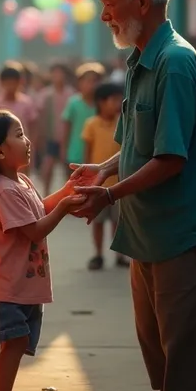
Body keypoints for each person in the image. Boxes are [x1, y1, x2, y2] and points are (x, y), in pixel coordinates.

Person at [71, 0, 196, 391]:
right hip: (150, 224)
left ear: (141, 0)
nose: (104, 14)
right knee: (154, 326)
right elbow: (139, 144)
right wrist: (102, 169)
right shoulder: (142, 58)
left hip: (185, 224)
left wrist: (110, 196)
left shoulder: (176, 62)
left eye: (109, 3)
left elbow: (171, 158)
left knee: (182, 326)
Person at [0, 110, 87, 391]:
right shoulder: (3, 190)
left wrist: (68, 190)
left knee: (16, 344)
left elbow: (39, 210)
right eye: (18, 134)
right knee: (14, 343)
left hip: (21, 285)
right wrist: (63, 208)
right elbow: (35, 230)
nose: (28, 140)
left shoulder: (19, 182)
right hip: (6, 287)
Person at [81, 82, 127, 270]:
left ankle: (119, 255)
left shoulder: (123, 122)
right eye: (114, 99)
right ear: (101, 102)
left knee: (118, 221)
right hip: (98, 184)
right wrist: (85, 177)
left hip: (119, 182)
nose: (118, 103)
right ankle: (98, 254)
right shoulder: (91, 125)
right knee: (98, 222)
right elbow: (87, 152)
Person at [61, 63, 105, 174]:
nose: (91, 85)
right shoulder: (73, 103)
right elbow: (66, 129)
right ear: (79, 83)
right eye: (88, 81)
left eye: (95, 81)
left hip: (97, 156)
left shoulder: (103, 105)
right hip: (75, 154)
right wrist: (64, 150)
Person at [39, 63, 74, 197]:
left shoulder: (71, 94)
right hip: (51, 135)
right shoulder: (46, 94)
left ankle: (69, 194)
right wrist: (41, 135)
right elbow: (41, 116)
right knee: (48, 165)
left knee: (68, 167)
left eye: (60, 73)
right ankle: (46, 193)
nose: (57, 76)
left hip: (68, 136)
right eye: (55, 73)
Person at [0, 64, 38, 144]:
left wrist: (32, 145)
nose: (11, 87)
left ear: (19, 83)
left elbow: (33, 127)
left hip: (23, 145)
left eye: (13, 83)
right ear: (2, 83)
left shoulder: (26, 102)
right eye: (8, 83)